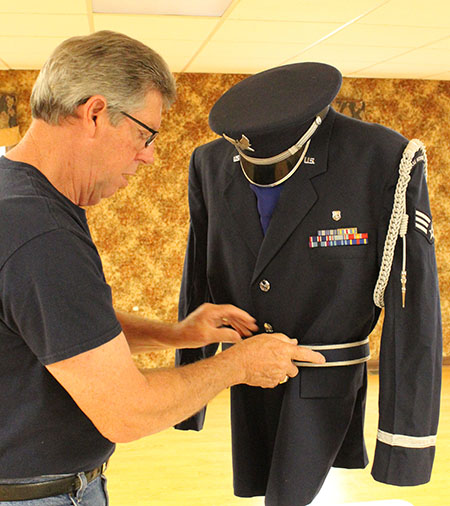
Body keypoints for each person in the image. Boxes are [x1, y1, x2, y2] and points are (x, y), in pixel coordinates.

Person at [0, 31, 325, 505]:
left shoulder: (14, 193)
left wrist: (174, 335)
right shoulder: (41, 233)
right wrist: (237, 365)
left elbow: (60, 329)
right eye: (144, 133)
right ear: (94, 114)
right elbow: (126, 412)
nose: (148, 154)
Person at [175, 62, 442, 506]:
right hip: (247, 382)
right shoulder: (210, 162)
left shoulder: (381, 157)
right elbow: (199, 271)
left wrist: (404, 442)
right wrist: (189, 391)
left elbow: (411, 303)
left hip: (327, 381)